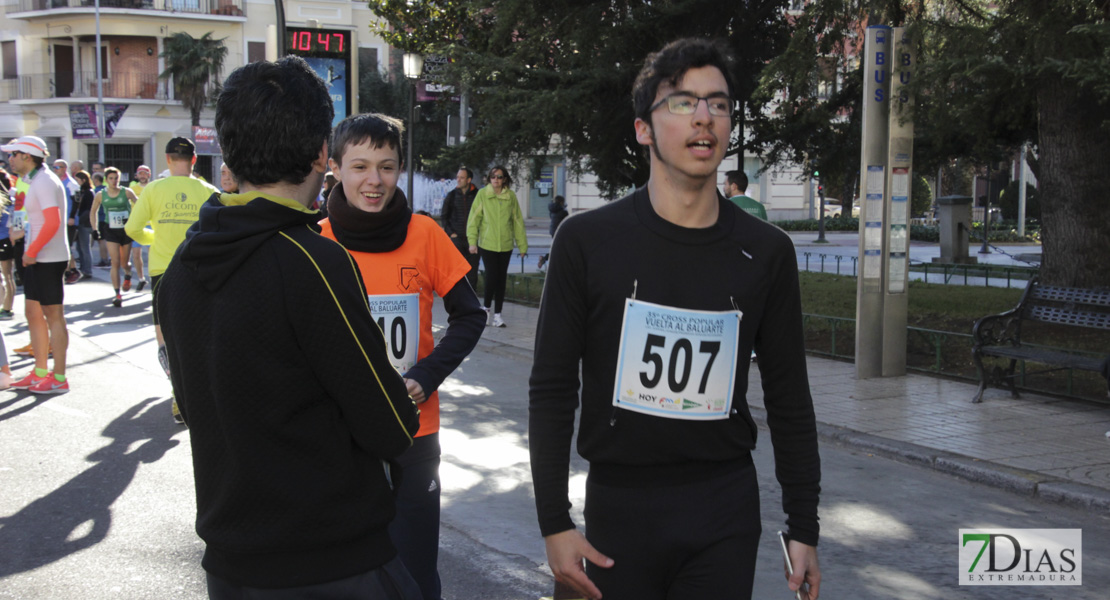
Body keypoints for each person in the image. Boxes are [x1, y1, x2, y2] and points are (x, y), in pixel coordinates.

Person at [528, 38, 822, 600]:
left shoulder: (767, 252)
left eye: (718, 103)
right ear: (643, 129)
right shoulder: (587, 242)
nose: (705, 117)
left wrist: (803, 526)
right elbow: (552, 389)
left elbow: (789, 397)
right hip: (618, 511)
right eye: (683, 103)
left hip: (724, 511)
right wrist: (553, 520)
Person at [156, 56, 422, 599]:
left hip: (232, 563)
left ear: (227, 151)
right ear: (322, 153)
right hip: (331, 562)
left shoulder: (182, 266)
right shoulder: (312, 261)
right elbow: (389, 424)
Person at [319, 113, 485, 600]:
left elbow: (470, 317)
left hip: (414, 432)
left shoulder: (425, 234)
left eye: (387, 167)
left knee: (414, 574)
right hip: (340, 439)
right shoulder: (316, 240)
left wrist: (425, 376)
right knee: (346, 574)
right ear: (335, 168)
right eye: (360, 166)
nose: (374, 181)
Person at [126, 137, 218, 422]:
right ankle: (200, 393)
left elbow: (133, 228)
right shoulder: (210, 191)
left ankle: (178, 396)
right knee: (197, 334)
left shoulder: (153, 189)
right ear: (194, 160)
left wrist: (153, 238)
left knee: (166, 337)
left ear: (167, 159)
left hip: (163, 271)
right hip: (197, 270)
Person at [3, 136, 72, 393]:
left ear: (27, 156)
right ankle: (40, 371)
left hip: (48, 258)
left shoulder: (44, 181)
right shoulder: (35, 179)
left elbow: (53, 222)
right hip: (37, 256)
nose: (9, 159)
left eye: (13, 154)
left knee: (54, 317)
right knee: (33, 314)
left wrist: (31, 251)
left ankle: (60, 377)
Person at [465, 166, 527, 328]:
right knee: (491, 277)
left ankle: (498, 315)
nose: (496, 180)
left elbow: (517, 221)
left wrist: (522, 246)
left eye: (499, 177)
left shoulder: (510, 196)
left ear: (504, 179)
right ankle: (485, 310)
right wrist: (472, 242)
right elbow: (473, 219)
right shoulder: (483, 195)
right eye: (493, 177)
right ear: (489, 178)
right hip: (488, 244)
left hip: (506, 245)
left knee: (501, 280)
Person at [89, 167, 138, 307]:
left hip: (125, 230)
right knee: (115, 262)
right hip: (110, 229)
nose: (114, 181)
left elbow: (140, 204)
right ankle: (117, 294)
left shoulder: (127, 192)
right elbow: (93, 211)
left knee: (124, 263)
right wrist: (94, 229)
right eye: (110, 178)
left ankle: (128, 274)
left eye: (116, 178)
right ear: (106, 180)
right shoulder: (100, 194)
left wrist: (137, 222)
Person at [440, 167, 480, 288]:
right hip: (457, 239)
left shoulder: (477, 195)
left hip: (473, 239)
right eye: (457, 177)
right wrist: (451, 233)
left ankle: (472, 299)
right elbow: (444, 216)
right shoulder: (451, 195)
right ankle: (459, 298)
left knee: (472, 272)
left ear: (469, 180)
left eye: (461, 177)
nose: (458, 180)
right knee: (457, 271)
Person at [127, 166, 152, 292]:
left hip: (151, 224)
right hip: (137, 225)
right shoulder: (132, 189)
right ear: (137, 175)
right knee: (136, 254)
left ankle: (154, 277)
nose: (142, 176)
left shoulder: (153, 187)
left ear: (149, 175)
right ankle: (141, 279)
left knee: (152, 253)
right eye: (140, 174)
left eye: (145, 174)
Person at [71, 170, 95, 281]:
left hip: (85, 223)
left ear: (83, 180)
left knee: (85, 247)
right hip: (82, 222)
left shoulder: (89, 192)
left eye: (77, 180)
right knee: (79, 247)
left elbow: (89, 209)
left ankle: (88, 270)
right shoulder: (81, 191)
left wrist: (79, 219)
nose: (76, 182)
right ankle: (84, 268)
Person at [537, 195, 568, 270]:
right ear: (561, 202)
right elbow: (567, 221)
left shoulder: (553, 210)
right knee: (560, 250)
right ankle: (546, 259)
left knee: (558, 249)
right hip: (560, 232)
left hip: (553, 231)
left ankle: (545, 259)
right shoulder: (563, 211)